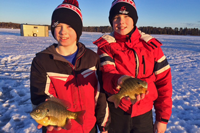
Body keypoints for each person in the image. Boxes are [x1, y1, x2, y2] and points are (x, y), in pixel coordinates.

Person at [30, 0, 110, 133]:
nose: (63, 31)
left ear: (78, 30)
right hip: (58, 128)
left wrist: (104, 126)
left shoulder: (92, 58)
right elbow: (39, 97)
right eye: (58, 26)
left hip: (89, 128)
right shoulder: (42, 61)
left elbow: (100, 96)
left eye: (69, 26)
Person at [93, 0, 173, 133]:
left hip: (144, 114)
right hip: (117, 112)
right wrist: (118, 80)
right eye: (116, 17)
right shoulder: (106, 46)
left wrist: (162, 118)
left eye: (126, 17)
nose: (121, 22)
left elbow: (164, 83)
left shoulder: (151, 46)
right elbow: (106, 75)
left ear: (134, 19)